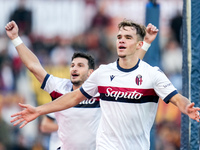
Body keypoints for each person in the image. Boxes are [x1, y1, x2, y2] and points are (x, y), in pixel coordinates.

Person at [8, 19, 200, 150]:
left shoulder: (144, 75)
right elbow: (69, 94)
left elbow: (170, 94)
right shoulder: (84, 80)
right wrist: (39, 110)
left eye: (127, 37)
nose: (121, 41)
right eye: (119, 37)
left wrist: (186, 107)